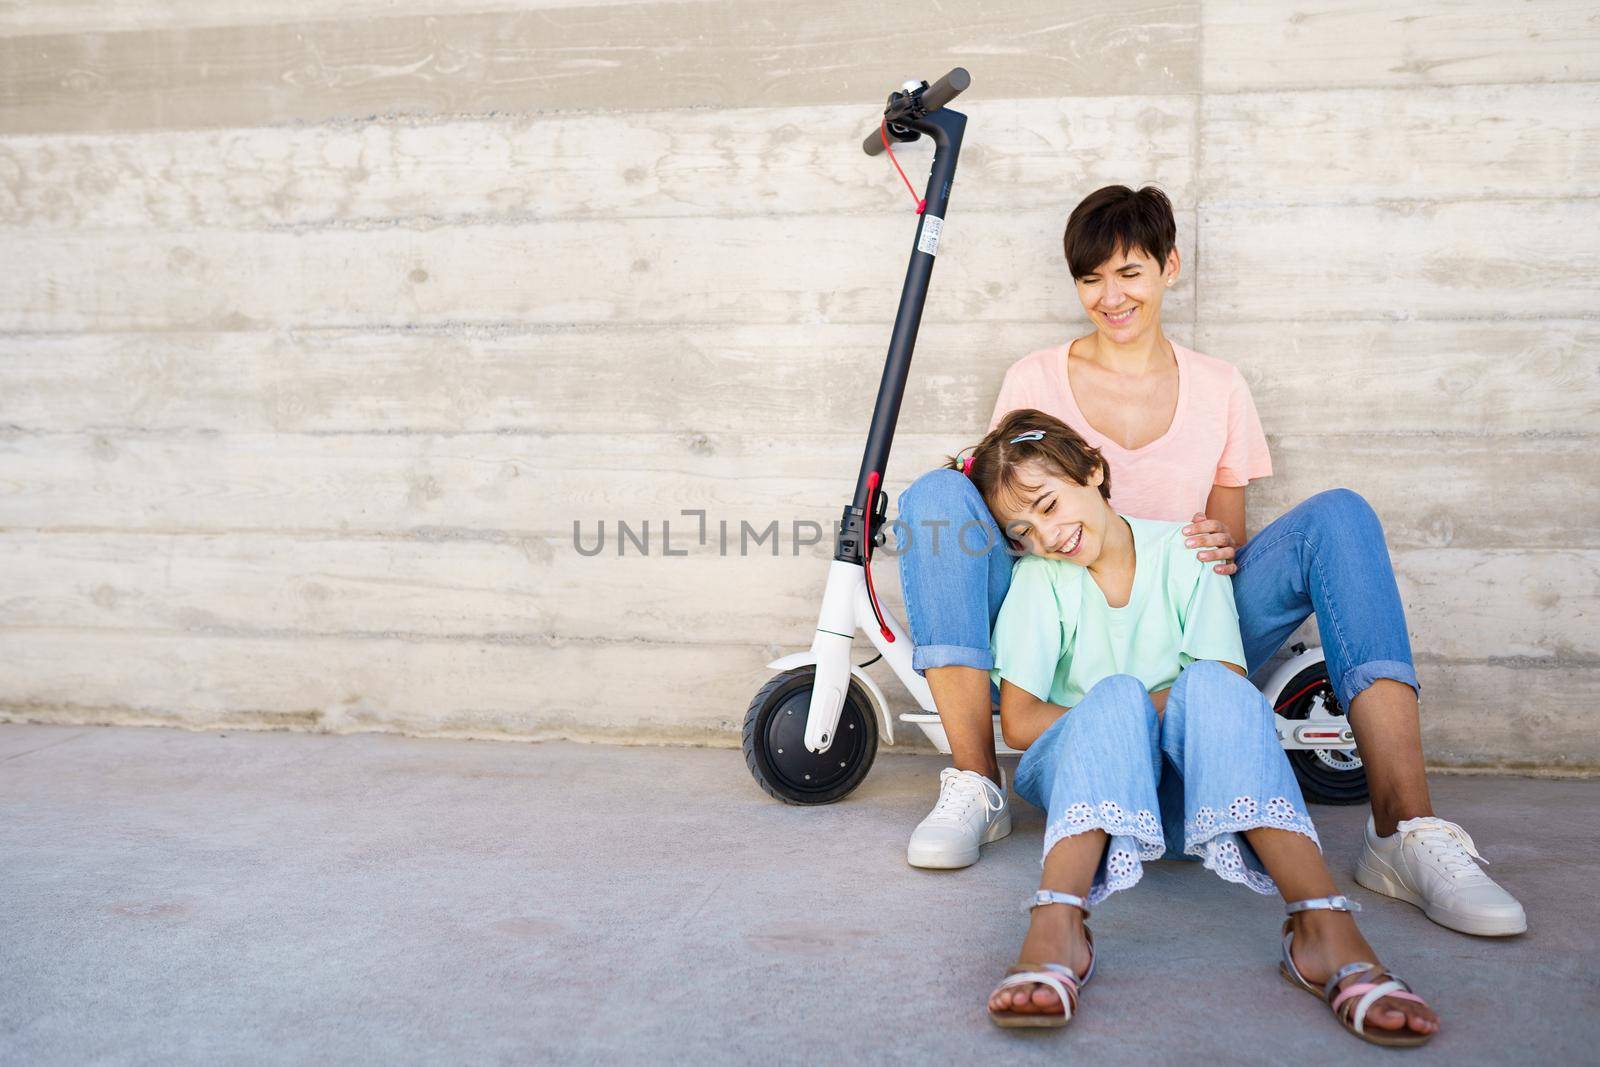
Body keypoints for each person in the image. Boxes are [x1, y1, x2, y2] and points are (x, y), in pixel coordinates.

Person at [896, 184, 1525, 937]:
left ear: (1170, 266)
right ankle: (976, 782)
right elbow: (1018, 509)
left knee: (1342, 517)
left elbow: (1223, 544)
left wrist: (1204, 554)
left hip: (1182, 604)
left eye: (1129, 272)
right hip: (1071, 615)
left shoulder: (1221, 386)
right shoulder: (1034, 379)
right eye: (1090, 277)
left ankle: (1405, 829)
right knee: (937, 495)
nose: (1110, 295)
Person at [971, 409, 1439, 1044]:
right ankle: (1057, 925)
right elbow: (1022, 722)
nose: (1047, 536)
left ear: (1093, 471)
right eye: (1023, 531)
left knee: (1215, 687)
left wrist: (1141, 708)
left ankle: (1322, 927)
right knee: (1116, 698)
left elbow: (1217, 687)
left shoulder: (1185, 550)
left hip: (1198, 796)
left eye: (1050, 506)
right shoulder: (1039, 582)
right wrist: (1126, 713)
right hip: (1088, 785)